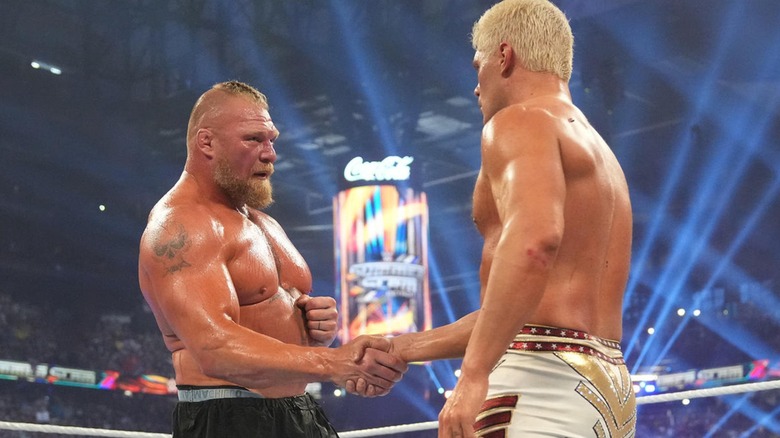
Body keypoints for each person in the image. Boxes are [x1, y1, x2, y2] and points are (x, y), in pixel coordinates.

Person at [351, 0, 637, 436]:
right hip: (607, 386)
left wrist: (473, 374)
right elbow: (525, 312)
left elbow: (534, 243)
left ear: (504, 57)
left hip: (536, 384)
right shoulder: (600, 153)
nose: (476, 86)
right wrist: (403, 346)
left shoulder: (518, 121)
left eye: (478, 65)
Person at [138, 80, 408, 438]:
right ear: (207, 143)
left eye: (272, 140)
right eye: (253, 139)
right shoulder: (181, 224)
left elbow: (271, 322)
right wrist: (332, 362)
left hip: (299, 408)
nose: (270, 154)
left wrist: (316, 327)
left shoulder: (263, 223)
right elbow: (213, 347)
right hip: (228, 415)